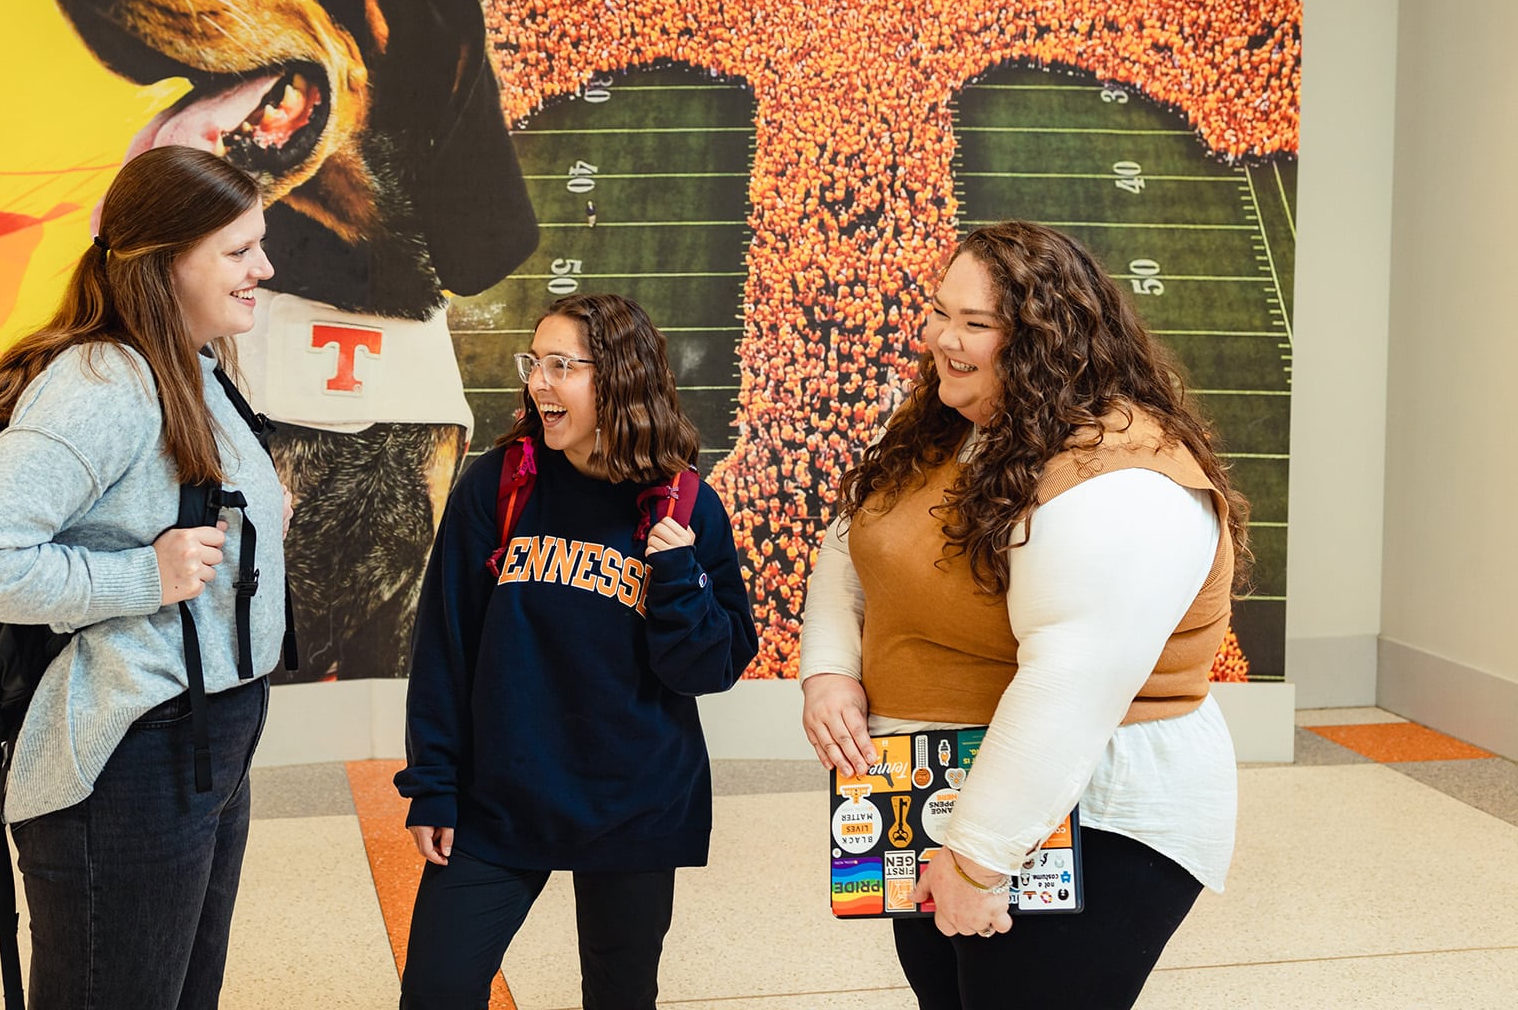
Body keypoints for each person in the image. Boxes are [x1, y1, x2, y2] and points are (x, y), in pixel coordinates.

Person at [799, 221, 1249, 1010]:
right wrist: (830, 667)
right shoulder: (949, 421)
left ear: (1050, 341)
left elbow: (1068, 689)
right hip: (940, 784)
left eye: (975, 325)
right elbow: (851, 543)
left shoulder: (1122, 478)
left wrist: (976, 857)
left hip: (1094, 806)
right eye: (941, 312)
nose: (942, 338)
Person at [0, 144, 286, 1010]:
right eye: (238, 250)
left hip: (209, 737)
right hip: (130, 761)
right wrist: (138, 579)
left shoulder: (195, 365)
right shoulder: (104, 383)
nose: (263, 267)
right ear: (165, 262)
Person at [396, 292, 760, 1009]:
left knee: (621, 996)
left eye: (563, 366)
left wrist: (679, 578)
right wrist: (433, 784)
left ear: (619, 378)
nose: (539, 382)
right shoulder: (497, 486)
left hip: (635, 805)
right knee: (436, 989)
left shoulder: (685, 504)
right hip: (498, 799)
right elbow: (444, 645)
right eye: (536, 362)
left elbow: (712, 668)